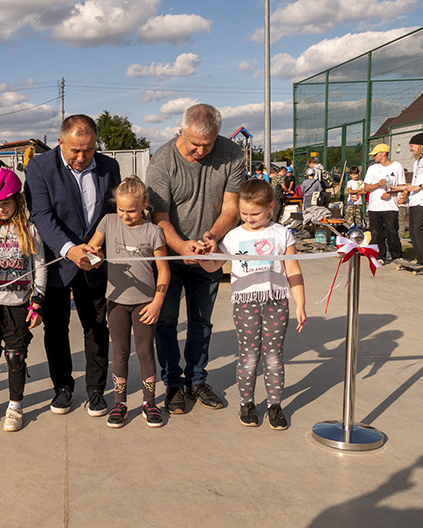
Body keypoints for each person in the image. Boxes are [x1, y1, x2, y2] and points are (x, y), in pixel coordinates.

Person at [146, 103, 244, 415]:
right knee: (167, 321)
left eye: (208, 144)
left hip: (209, 253)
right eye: (194, 144)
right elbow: (159, 217)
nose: (200, 151)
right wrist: (181, 247)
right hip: (170, 256)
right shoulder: (162, 161)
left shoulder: (232, 154)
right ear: (182, 131)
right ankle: (173, 382)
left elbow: (231, 207)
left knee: (201, 320)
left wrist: (213, 237)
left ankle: (197, 379)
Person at [25, 114, 121, 416]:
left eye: (89, 150)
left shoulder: (109, 167)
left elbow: (112, 213)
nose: (82, 157)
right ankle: (62, 388)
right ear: (60, 142)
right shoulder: (40, 167)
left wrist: (102, 246)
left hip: (95, 263)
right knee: (56, 329)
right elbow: (41, 215)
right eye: (75, 150)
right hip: (58, 263)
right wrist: (69, 250)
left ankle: (96, 390)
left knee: (96, 327)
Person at [198, 179, 306, 430]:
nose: (249, 218)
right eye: (244, 214)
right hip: (246, 304)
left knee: (273, 356)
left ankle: (274, 405)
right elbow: (214, 266)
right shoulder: (234, 236)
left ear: (270, 207)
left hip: (276, 302)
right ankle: (246, 403)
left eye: (255, 214)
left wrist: (300, 304)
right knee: (248, 356)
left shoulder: (282, 234)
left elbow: (293, 270)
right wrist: (202, 257)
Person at [84, 175, 170, 428]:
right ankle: (120, 403)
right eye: (121, 209)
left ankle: (149, 402)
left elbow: (164, 271)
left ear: (144, 204)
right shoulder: (109, 222)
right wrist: (96, 257)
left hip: (145, 303)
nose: (125, 215)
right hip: (117, 302)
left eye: (131, 211)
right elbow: (91, 254)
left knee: (145, 352)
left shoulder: (154, 231)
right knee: (120, 352)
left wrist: (157, 302)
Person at [0, 168, 47, 432]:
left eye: (5, 202)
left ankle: (15, 406)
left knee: (15, 356)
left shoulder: (31, 229)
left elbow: (41, 266)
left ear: (18, 199)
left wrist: (38, 300)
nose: (0, 209)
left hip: (19, 304)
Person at [363, 143, 406, 263]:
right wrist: (378, 184)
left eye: (376, 154)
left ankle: (397, 255)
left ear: (384, 153)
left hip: (391, 206)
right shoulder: (372, 168)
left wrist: (390, 193)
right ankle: (379, 256)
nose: (374, 157)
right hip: (374, 206)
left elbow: (402, 186)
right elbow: (366, 187)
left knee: (392, 231)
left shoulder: (397, 166)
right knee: (376, 233)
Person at [404, 133, 423, 264]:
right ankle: (420, 259)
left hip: (422, 202)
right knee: (414, 231)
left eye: (413, 145)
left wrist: (419, 186)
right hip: (415, 201)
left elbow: (419, 184)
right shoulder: (417, 162)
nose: (411, 148)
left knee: (417, 231)